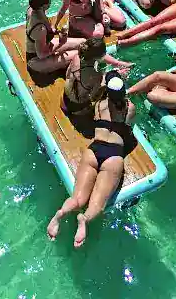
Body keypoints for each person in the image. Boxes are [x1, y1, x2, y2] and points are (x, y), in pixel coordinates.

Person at [47, 71, 136, 248]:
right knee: (98, 204)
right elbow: (129, 131)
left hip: (93, 151)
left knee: (77, 198)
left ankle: (60, 213)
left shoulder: (99, 105)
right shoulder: (130, 108)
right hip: (113, 155)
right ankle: (84, 219)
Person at [26, 0, 86, 74]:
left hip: (46, 45)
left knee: (84, 43)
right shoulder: (40, 28)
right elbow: (42, 54)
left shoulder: (32, 8)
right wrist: (61, 43)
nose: (50, 0)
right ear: (44, 6)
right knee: (80, 55)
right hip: (37, 60)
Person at [61, 38, 134, 118]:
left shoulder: (76, 57)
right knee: (108, 88)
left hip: (64, 99)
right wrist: (115, 74)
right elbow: (93, 97)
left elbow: (68, 75)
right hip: (76, 109)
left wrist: (119, 63)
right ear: (100, 56)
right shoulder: (96, 75)